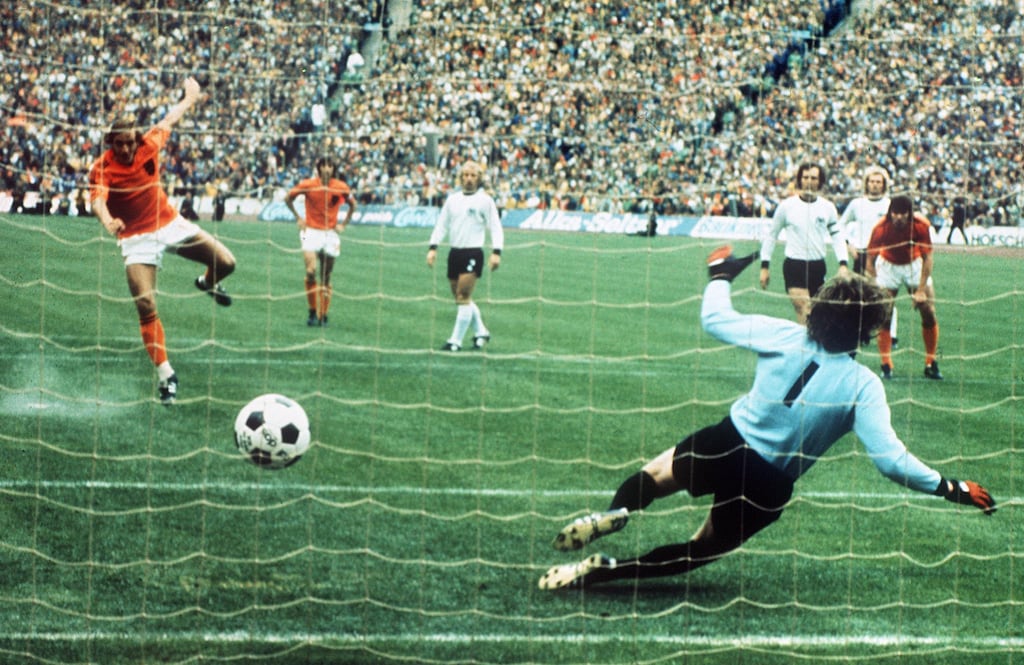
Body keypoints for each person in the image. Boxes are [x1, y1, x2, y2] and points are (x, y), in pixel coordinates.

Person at [537, 247, 995, 591]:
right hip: (769, 482)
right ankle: (609, 571)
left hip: (727, 440)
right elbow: (890, 461)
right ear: (870, 328)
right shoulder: (863, 385)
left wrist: (720, 275)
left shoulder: (785, 336)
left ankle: (618, 511)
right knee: (703, 549)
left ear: (821, 308)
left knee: (656, 476)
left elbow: (716, 319)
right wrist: (950, 488)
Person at [88, 77, 236, 406]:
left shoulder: (150, 144)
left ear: (136, 139)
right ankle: (167, 375)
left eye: (129, 142)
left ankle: (207, 282)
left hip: (168, 223)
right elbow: (98, 199)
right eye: (119, 144)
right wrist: (108, 219)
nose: (125, 149)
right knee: (145, 303)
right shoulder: (101, 168)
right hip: (136, 238)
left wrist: (191, 96)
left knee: (227, 263)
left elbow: (170, 118)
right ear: (110, 142)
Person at [426, 161, 503, 351]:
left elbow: (495, 227)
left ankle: (455, 341)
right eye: (466, 175)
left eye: (473, 175)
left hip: (473, 252)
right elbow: (442, 224)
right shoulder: (453, 200)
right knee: (461, 299)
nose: (469, 179)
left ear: (478, 178)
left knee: (463, 295)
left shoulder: (485, 201)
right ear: (460, 178)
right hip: (455, 253)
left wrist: (496, 252)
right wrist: (433, 247)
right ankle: (481, 331)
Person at [759, 162, 849, 324]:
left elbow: (837, 236)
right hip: (795, 265)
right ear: (800, 180)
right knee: (803, 307)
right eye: (805, 177)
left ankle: (810, 345)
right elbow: (771, 235)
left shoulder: (827, 207)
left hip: (817, 266)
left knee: (816, 314)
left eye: (813, 178)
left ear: (820, 182)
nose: (809, 181)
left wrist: (843, 263)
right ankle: (805, 348)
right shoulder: (786, 207)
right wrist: (764, 266)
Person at [866, 195, 942, 380]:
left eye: (903, 213)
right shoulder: (880, 228)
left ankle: (930, 362)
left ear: (909, 214)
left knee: (928, 311)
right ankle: (886, 364)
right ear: (891, 213)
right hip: (888, 266)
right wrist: (876, 283)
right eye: (895, 213)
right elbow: (869, 259)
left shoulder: (921, 225)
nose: (899, 217)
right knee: (885, 313)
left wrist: (921, 290)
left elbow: (928, 258)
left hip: (913, 265)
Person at [285, 156, 357, 326]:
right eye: (323, 165)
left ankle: (323, 315)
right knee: (311, 270)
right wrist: (298, 218)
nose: (326, 169)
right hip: (310, 231)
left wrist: (344, 224)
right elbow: (288, 198)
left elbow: (353, 205)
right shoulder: (309, 184)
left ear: (333, 169)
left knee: (326, 275)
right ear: (318, 168)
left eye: (330, 165)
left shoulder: (341, 187)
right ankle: (311, 312)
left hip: (330, 233)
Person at [840, 165, 898, 345]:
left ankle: (891, 334)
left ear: (884, 184)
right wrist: (848, 244)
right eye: (871, 181)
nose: (874, 185)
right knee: (861, 296)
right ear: (866, 183)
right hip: (863, 254)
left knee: (886, 296)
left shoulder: (889, 204)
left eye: (878, 182)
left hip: (884, 255)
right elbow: (839, 225)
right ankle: (861, 332)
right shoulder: (857, 204)